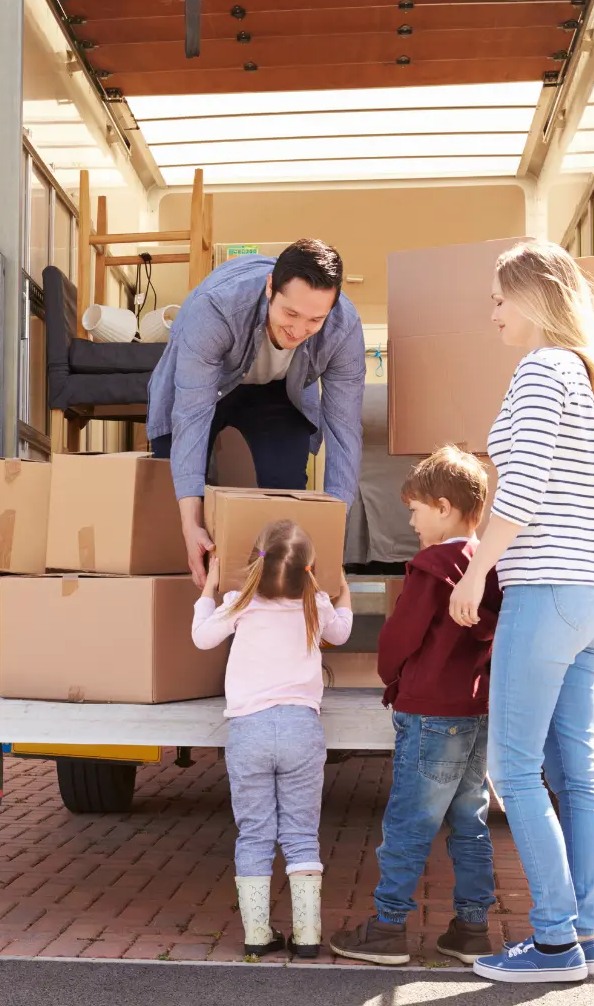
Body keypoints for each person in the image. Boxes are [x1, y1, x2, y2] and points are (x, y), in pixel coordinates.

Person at [448, 241, 594, 984]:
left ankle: (553, 941)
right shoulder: (583, 377)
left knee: (513, 768)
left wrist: (476, 573)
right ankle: (580, 936)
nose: (492, 313)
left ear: (531, 296)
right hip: (593, 598)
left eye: (499, 299)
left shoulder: (539, 371)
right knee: (575, 774)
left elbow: (519, 491)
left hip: (548, 591)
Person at [329, 446, 502, 966]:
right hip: (474, 711)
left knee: (408, 821)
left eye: (415, 510)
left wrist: (392, 678)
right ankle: (472, 929)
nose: (410, 520)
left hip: (429, 713)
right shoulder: (488, 566)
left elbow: (399, 637)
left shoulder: (431, 566)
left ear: (444, 508)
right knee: (470, 821)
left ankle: (386, 928)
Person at [148, 240, 367, 586]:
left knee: (286, 487)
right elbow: (191, 415)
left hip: (279, 392)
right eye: (290, 314)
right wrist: (191, 524)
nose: (298, 331)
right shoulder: (216, 309)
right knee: (175, 500)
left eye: (314, 320)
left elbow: (344, 430)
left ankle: (274, 604)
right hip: (209, 385)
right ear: (270, 288)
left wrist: (331, 535)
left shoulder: (344, 327)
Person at [191, 520, 353, 958]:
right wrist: (344, 593)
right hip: (302, 729)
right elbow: (342, 633)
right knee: (302, 833)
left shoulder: (239, 603)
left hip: (250, 731)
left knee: (255, 834)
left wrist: (208, 588)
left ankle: (258, 935)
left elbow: (202, 638)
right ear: (311, 568)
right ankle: (307, 935)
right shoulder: (315, 605)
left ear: (254, 563)